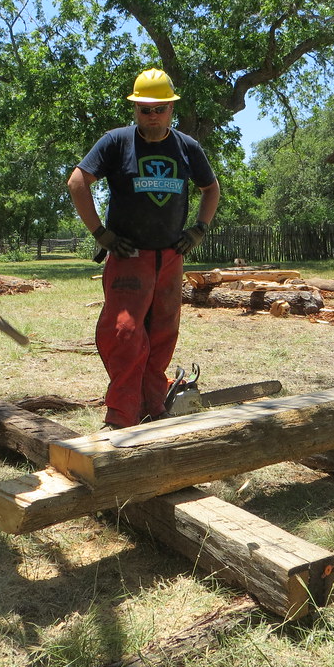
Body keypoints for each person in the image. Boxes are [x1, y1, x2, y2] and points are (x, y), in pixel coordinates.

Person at [67, 68, 221, 429]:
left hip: (169, 258)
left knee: (163, 333)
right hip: (128, 258)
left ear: (171, 109)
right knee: (123, 333)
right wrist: (100, 234)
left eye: (160, 109)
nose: (152, 116)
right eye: (145, 110)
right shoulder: (116, 142)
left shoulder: (187, 146)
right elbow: (78, 182)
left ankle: (153, 406)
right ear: (135, 110)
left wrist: (199, 229)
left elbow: (210, 188)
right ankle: (121, 417)